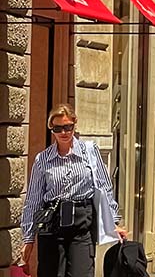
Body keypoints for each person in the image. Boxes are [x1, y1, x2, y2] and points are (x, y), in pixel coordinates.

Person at [22, 105, 127, 276]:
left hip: (82, 221)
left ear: (74, 124)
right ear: (51, 129)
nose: (63, 132)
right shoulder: (43, 159)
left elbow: (104, 187)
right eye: (58, 128)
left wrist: (113, 222)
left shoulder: (89, 152)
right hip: (52, 223)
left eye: (68, 127)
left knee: (82, 272)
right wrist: (28, 238)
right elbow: (33, 200)